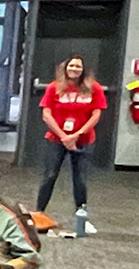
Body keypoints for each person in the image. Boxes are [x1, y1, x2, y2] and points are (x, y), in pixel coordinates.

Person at [34, 56, 107, 216]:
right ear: (65, 68)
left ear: (83, 69)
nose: (74, 69)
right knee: (50, 175)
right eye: (71, 65)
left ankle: (81, 216)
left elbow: (96, 115)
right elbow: (46, 114)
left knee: (80, 179)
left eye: (78, 66)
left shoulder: (94, 88)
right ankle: (39, 213)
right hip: (56, 139)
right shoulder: (54, 87)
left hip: (83, 140)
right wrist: (64, 137)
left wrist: (76, 135)